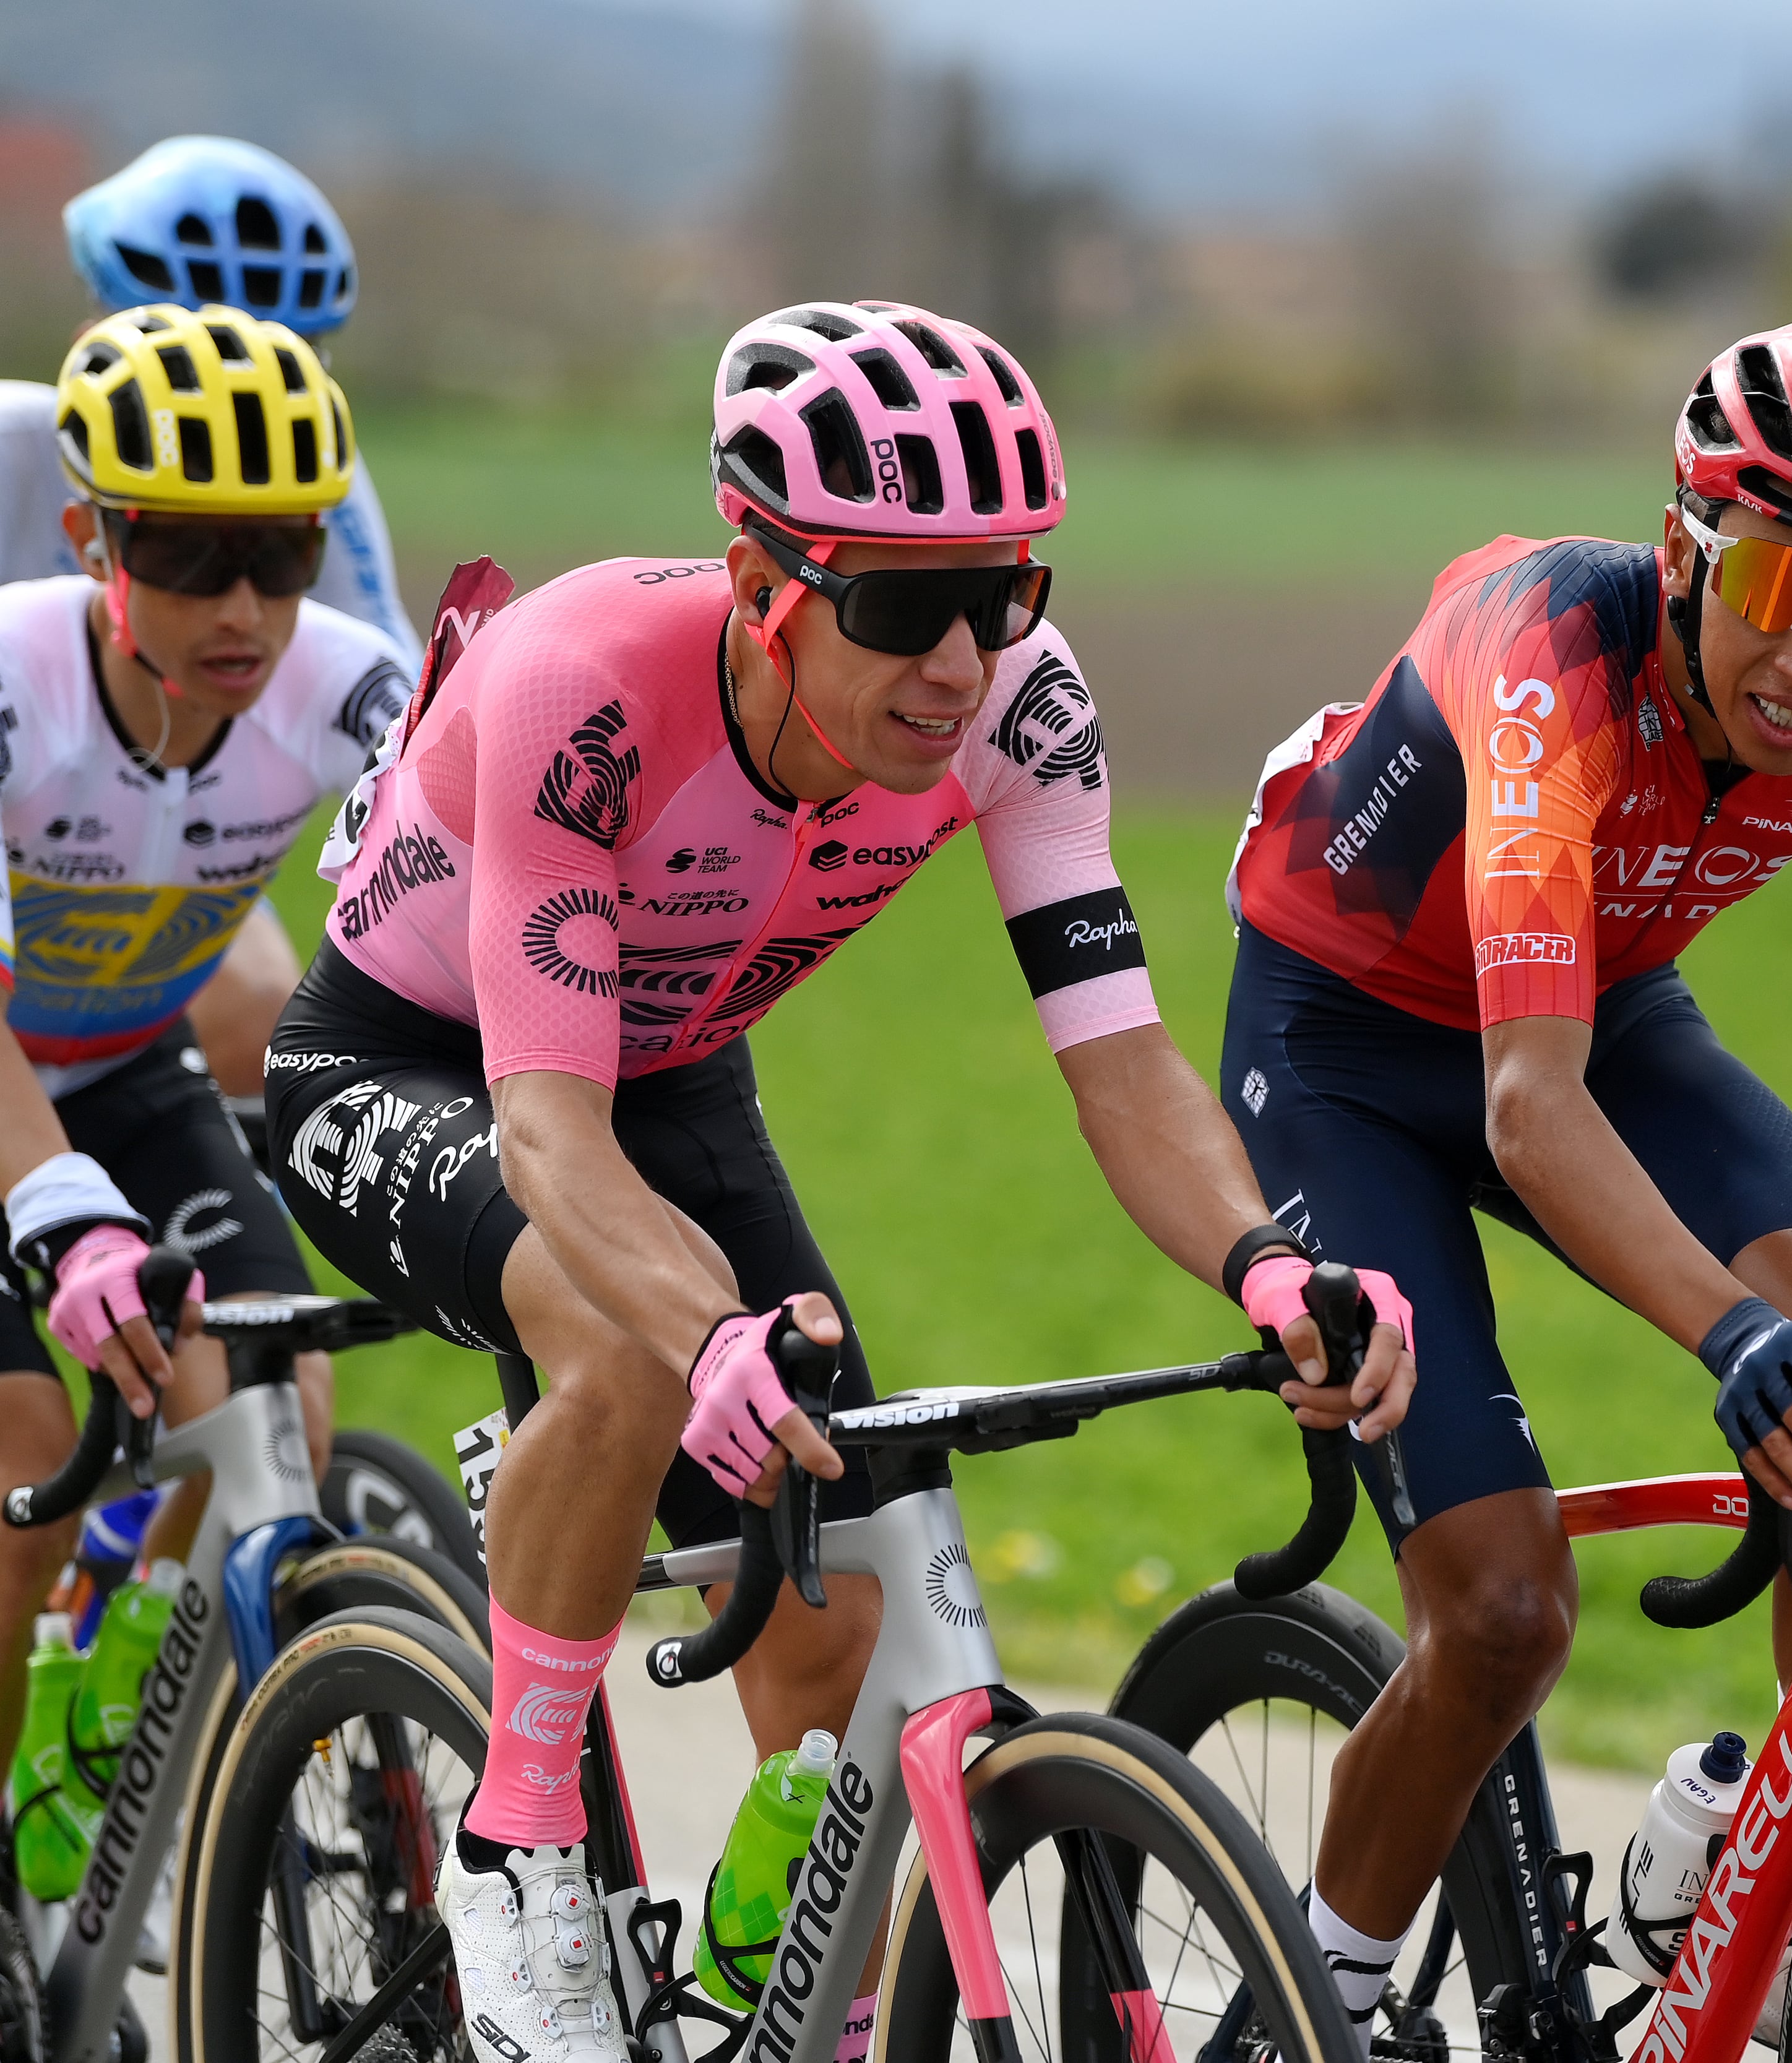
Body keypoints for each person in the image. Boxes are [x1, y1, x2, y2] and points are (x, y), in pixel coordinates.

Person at [263, 299, 1413, 2063]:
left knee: (837, 1610)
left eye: (1003, 590)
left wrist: (1273, 1267)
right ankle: (516, 1845)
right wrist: (703, 1331)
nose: (959, 659)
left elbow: (1124, 1068)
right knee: (639, 1350)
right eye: (897, 604)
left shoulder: (1022, 709)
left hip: (670, 1062)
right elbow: (551, 1138)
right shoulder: (585, 687)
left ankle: (771, 1997)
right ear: (762, 582)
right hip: (415, 1058)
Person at [1220, 319, 1792, 2034]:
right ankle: (1320, 2000)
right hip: (1347, 1043)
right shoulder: (1554, 656)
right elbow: (1531, 1108)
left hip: (1597, 999)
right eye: (1785, 583)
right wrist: (1727, 1335)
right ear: (1685, 550)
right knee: (1505, 1610)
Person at [0, 301, 415, 1777]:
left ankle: (104, 1696)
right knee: (27, 1463)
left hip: (120, 1066)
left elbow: (474, 895)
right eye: (185, 556)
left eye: (282, 555)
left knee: (274, 1405)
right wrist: (59, 1215)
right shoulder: (14, 680)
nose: (241, 610)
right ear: (92, 539)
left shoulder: (345, 682)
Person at [1, 136, 422, 1160]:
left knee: (268, 1015)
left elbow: (402, 703)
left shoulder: (310, 469)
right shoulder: (20, 439)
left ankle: (217, 1249)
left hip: (144, 833)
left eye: (285, 361)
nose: (231, 401)